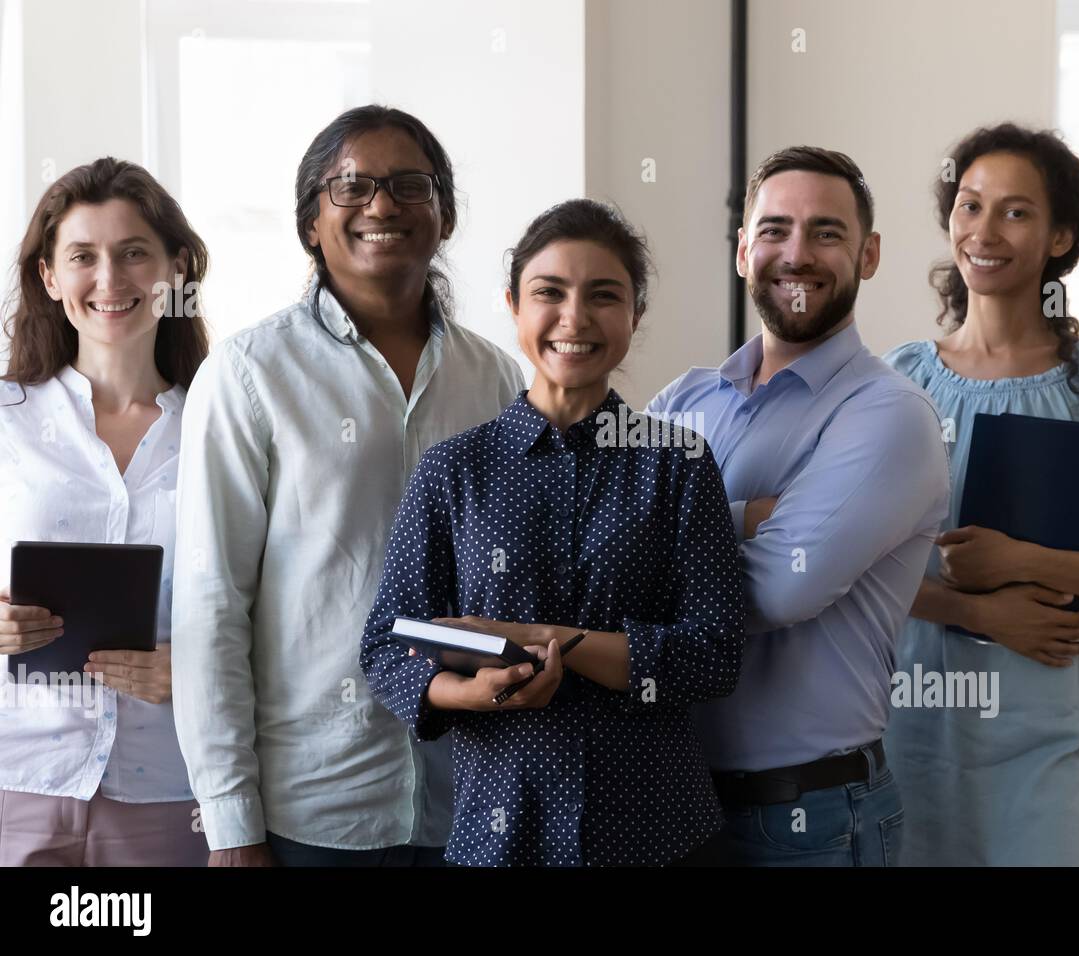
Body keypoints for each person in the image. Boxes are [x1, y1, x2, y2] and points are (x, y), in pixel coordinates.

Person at [172, 105, 523, 867]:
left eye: (410, 185)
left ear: (446, 215)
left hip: (466, 793)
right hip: (314, 809)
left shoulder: (493, 376)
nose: (382, 205)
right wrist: (231, 823)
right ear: (310, 223)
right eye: (351, 186)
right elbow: (211, 604)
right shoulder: (248, 374)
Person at [361, 199, 745, 866]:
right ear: (513, 305)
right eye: (550, 293)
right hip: (499, 834)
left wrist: (547, 640)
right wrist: (465, 694)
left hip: (655, 836)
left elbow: (713, 655)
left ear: (635, 315)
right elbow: (385, 646)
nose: (575, 318)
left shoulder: (679, 465)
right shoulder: (454, 470)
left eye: (604, 295)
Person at [883, 123, 1079, 866]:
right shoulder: (901, 383)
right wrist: (976, 607)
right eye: (969, 205)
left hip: (1057, 734)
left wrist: (1024, 560)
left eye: (1016, 212)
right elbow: (860, 568)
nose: (984, 231)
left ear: (1060, 237)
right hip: (921, 727)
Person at [647, 146, 950, 866]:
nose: (798, 254)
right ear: (744, 250)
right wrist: (752, 513)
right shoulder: (683, 401)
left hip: (806, 822)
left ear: (868, 254)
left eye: (827, 233)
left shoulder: (890, 415)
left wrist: (669, 537)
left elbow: (782, 588)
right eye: (776, 230)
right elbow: (604, 549)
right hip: (671, 803)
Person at [0, 157, 209, 865]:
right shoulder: (5, 422)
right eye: (83, 257)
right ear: (50, 277)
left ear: (176, 269)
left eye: (133, 254)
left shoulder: (222, 430)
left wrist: (197, 670)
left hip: (168, 790)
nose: (110, 280)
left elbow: (274, 605)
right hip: (16, 780)